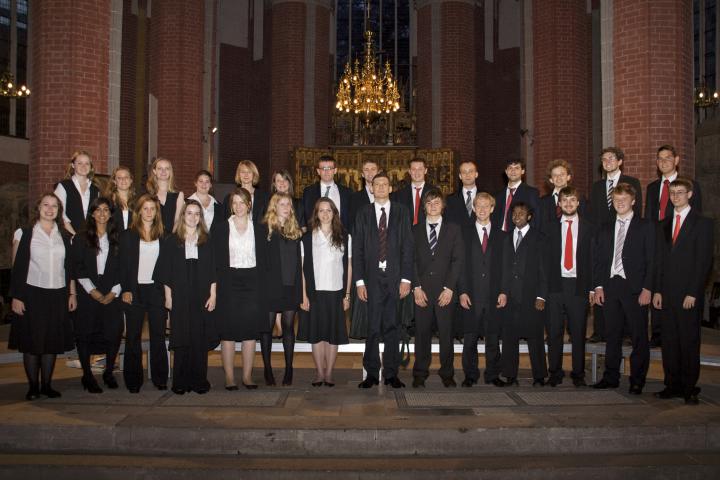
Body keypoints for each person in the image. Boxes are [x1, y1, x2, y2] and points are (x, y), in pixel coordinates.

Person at [653, 178, 713, 405]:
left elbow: (704, 262)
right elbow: (659, 261)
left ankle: (689, 388)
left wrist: (693, 292)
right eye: (673, 193)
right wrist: (657, 291)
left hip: (689, 294)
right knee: (669, 342)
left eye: (680, 192)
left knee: (688, 341)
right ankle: (671, 384)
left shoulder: (702, 223)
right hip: (666, 293)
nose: (676, 196)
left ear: (690, 194)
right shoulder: (664, 224)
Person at [10, 193, 76, 400]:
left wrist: (71, 293)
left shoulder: (64, 236)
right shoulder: (25, 233)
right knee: (32, 341)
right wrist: (16, 296)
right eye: (46, 205)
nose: (50, 209)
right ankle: (33, 387)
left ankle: (47, 385)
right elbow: (17, 268)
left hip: (57, 292)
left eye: (54, 206)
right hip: (32, 292)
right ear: (38, 208)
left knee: (50, 341)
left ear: (59, 211)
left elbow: (69, 268)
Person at [353, 172, 414, 389]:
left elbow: (408, 246)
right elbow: (357, 249)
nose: (380, 187)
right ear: (371, 188)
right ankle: (371, 373)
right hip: (371, 279)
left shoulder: (401, 212)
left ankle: (391, 373)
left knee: (392, 326)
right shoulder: (363, 213)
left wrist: (406, 278)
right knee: (373, 327)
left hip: (395, 278)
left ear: (390, 189)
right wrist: (359, 282)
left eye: (384, 184)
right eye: (376, 184)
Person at [592, 183, 654, 394]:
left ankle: (637, 379)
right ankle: (611, 377)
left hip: (635, 287)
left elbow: (652, 260)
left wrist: (648, 288)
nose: (620, 203)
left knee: (638, 336)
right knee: (612, 334)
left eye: (624, 200)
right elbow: (599, 260)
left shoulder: (645, 226)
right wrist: (599, 286)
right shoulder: (606, 227)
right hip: (611, 286)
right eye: (616, 200)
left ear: (633, 201)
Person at [155, 200, 218, 395]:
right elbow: (165, 271)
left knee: (198, 339)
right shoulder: (172, 241)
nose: (193, 217)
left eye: (197, 214)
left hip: (201, 295)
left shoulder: (207, 240)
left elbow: (214, 270)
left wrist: (213, 294)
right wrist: (168, 296)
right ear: (183, 216)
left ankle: (199, 380)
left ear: (201, 217)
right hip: (180, 295)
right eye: (189, 213)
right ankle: (180, 381)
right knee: (182, 337)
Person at [645, 145, 703, 348]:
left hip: (680, 246)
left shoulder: (690, 186)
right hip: (658, 241)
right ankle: (658, 332)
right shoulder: (653, 188)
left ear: (676, 160)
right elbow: (649, 218)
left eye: (667, 158)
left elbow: (696, 222)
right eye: (659, 159)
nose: (663, 162)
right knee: (658, 286)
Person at [587, 147, 642, 343]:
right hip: (603, 240)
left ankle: (627, 332)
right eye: (604, 159)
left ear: (620, 161)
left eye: (611, 158)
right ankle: (599, 331)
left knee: (625, 290)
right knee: (602, 285)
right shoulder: (596, 186)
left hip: (624, 238)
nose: (607, 161)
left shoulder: (632, 183)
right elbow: (593, 216)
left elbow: (638, 213)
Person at [214, 188, 268, 390]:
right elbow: (216, 261)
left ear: (249, 205)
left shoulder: (260, 229)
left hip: (253, 281)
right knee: (228, 331)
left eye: (242, 202)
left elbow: (265, 261)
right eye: (234, 203)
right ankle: (229, 377)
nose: (238, 206)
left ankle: (247, 376)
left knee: (249, 331)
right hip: (229, 281)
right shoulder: (220, 229)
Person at [411, 188, 464, 388]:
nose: (433, 206)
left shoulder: (453, 229)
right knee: (422, 334)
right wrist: (416, 287)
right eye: (429, 203)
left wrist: (450, 288)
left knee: (446, 333)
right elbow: (411, 260)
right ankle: (420, 373)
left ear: (443, 206)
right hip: (422, 291)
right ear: (423, 207)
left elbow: (457, 260)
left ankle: (447, 373)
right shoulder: (415, 229)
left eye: (436, 202)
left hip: (445, 292)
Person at [544, 186, 595, 387]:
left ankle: (578, 374)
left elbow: (594, 260)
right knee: (554, 332)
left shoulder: (589, 228)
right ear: (559, 203)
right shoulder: (549, 227)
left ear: (578, 203)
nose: (568, 204)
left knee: (578, 332)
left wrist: (592, 288)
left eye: (572, 200)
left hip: (578, 286)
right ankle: (555, 373)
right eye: (565, 200)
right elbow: (544, 260)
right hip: (555, 286)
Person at [72, 197, 124, 393]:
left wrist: (114, 292)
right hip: (88, 291)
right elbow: (77, 266)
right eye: (98, 210)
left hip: (112, 290)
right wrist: (92, 290)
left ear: (111, 213)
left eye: (106, 210)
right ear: (92, 213)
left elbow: (123, 267)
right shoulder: (81, 237)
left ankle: (108, 372)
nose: (102, 214)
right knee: (85, 334)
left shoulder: (117, 237)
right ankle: (87, 375)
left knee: (113, 334)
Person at [298, 198, 352, 387]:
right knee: (317, 334)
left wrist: (347, 294)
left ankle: (329, 372)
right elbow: (303, 269)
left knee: (332, 334)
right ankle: (319, 372)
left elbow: (349, 266)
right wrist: (303, 295)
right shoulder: (307, 238)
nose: (325, 214)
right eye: (321, 210)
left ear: (334, 213)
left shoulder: (345, 236)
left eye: (329, 210)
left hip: (336, 291)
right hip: (315, 292)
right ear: (316, 214)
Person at [119, 194, 169, 393]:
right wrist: (125, 289)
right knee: (133, 336)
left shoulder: (163, 235)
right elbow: (121, 266)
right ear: (138, 211)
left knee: (158, 335)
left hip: (156, 290)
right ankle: (133, 380)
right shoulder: (128, 235)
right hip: (134, 290)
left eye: (152, 209)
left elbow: (167, 266)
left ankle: (160, 377)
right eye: (145, 208)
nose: (149, 212)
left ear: (157, 212)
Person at [458, 192, 508, 388]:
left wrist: (504, 291)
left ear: (493, 209)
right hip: (470, 294)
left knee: (493, 338)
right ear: (473, 208)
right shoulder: (464, 233)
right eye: (478, 205)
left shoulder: (502, 235)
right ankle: (470, 375)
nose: (482, 209)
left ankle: (493, 374)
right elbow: (460, 265)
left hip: (494, 295)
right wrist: (462, 291)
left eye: (486, 206)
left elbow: (506, 266)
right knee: (469, 338)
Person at [500, 202, 548, 386]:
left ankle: (539, 376)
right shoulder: (506, 238)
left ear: (529, 216)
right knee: (509, 337)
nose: (517, 215)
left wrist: (541, 296)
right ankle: (510, 375)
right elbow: (504, 268)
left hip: (532, 296)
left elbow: (545, 269)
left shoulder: (539, 238)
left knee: (535, 337)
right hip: (510, 296)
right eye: (514, 213)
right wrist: (503, 292)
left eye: (522, 213)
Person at [260, 192, 303, 386]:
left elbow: (299, 262)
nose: (286, 207)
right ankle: (267, 369)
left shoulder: (295, 230)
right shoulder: (264, 228)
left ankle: (289, 369)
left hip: (290, 286)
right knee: (266, 328)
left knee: (288, 328)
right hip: (270, 286)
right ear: (274, 206)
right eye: (282, 204)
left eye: (288, 204)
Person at [54, 150, 100, 235]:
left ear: (91, 167)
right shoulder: (63, 186)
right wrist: (74, 236)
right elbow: (60, 214)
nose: (84, 166)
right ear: (73, 165)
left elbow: (96, 216)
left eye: (87, 163)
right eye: (79, 163)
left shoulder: (95, 190)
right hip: (68, 235)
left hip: (89, 237)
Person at [302, 155, 352, 228]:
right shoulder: (308, 192)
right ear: (318, 171)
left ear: (335, 170)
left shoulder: (347, 192)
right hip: (316, 235)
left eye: (329, 168)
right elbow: (306, 216)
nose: (326, 171)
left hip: (340, 235)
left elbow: (350, 218)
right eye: (323, 168)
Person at [538, 159, 586, 234]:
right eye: (555, 175)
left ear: (568, 177)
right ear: (551, 179)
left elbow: (584, 222)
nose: (559, 177)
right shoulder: (542, 201)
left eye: (562, 174)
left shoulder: (580, 198)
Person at [492, 159, 540, 232]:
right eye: (510, 168)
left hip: (520, 237)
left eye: (517, 168)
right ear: (506, 171)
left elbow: (535, 219)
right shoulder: (498, 195)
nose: (513, 171)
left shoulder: (531, 193)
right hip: (499, 237)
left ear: (523, 171)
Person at [392, 157, 435, 227]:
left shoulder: (434, 192)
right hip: (406, 234)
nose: (417, 172)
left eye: (420, 169)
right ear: (409, 171)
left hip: (427, 233)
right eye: (413, 169)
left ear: (425, 171)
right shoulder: (400, 194)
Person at [146, 157, 184, 234]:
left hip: (171, 238)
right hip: (151, 237)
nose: (163, 171)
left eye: (167, 168)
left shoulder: (179, 195)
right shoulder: (147, 195)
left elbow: (178, 220)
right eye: (160, 168)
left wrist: (170, 239)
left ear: (170, 172)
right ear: (154, 171)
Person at [445, 160, 479, 229]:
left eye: (471, 171)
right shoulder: (450, 200)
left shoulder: (487, 197)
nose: (467, 175)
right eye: (464, 172)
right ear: (460, 176)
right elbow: (447, 224)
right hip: (458, 238)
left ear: (476, 174)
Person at [348, 159, 379, 232]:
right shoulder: (354, 198)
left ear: (378, 172)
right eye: (366, 170)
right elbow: (352, 223)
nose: (370, 172)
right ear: (362, 174)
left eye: (373, 169)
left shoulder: (390, 196)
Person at [187, 170, 221, 234]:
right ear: (195, 183)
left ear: (210, 185)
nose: (204, 184)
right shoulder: (186, 203)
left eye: (207, 182)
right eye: (201, 181)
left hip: (213, 243)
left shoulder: (219, 206)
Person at [106, 166, 135, 231]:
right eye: (119, 178)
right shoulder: (108, 202)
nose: (123, 180)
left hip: (133, 239)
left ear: (131, 181)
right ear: (114, 181)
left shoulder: (138, 202)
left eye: (126, 177)